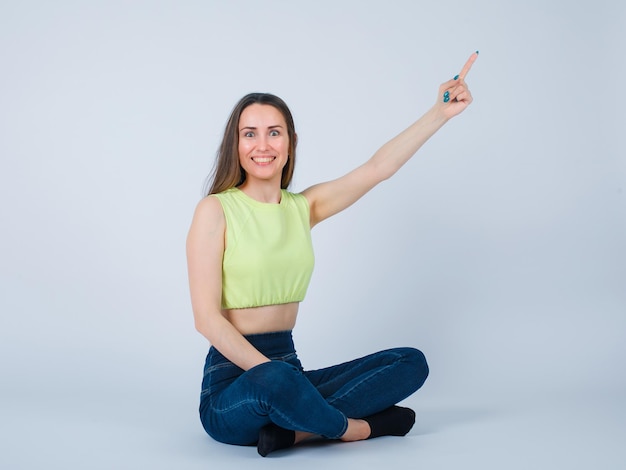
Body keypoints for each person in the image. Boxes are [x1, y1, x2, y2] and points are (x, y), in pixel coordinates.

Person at [186, 52, 478, 456]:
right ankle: (357, 430)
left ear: (290, 142)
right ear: (235, 144)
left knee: (410, 362)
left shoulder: (303, 208)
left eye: (274, 132)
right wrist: (273, 375)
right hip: (232, 387)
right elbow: (206, 319)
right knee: (278, 382)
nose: (262, 144)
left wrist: (439, 113)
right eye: (249, 133)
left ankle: (298, 431)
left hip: (289, 368)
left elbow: (377, 168)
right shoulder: (216, 210)